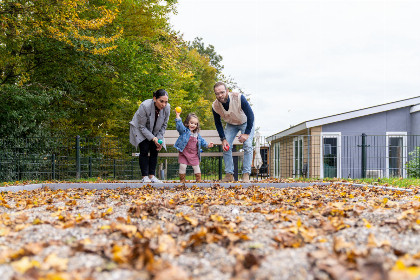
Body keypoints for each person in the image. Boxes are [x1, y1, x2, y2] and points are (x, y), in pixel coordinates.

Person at [212, 82, 255, 183]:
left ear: (227, 91)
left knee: (248, 145)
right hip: (231, 124)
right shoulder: (215, 106)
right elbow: (218, 123)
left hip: (245, 122)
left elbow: (251, 115)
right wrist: (223, 139)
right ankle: (229, 174)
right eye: (217, 93)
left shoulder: (239, 98)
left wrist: (246, 133)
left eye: (222, 92)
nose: (220, 95)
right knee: (226, 146)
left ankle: (246, 174)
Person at [129, 89, 170, 183]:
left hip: (155, 130)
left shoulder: (167, 108)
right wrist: (152, 138)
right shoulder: (145, 106)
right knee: (144, 149)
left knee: (155, 149)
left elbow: (164, 125)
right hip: (140, 129)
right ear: (155, 98)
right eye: (161, 101)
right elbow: (141, 126)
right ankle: (145, 177)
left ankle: (152, 176)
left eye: (166, 102)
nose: (164, 104)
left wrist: (158, 139)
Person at [174, 111, 214, 183]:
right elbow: (179, 126)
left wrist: (208, 145)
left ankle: (198, 179)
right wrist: (178, 117)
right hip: (184, 153)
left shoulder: (197, 134)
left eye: (195, 124)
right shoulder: (184, 131)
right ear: (187, 123)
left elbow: (202, 141)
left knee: (196, 166)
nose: (193, 125)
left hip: (194, 154)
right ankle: (182, 180)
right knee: (183, 166)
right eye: (191, 123)